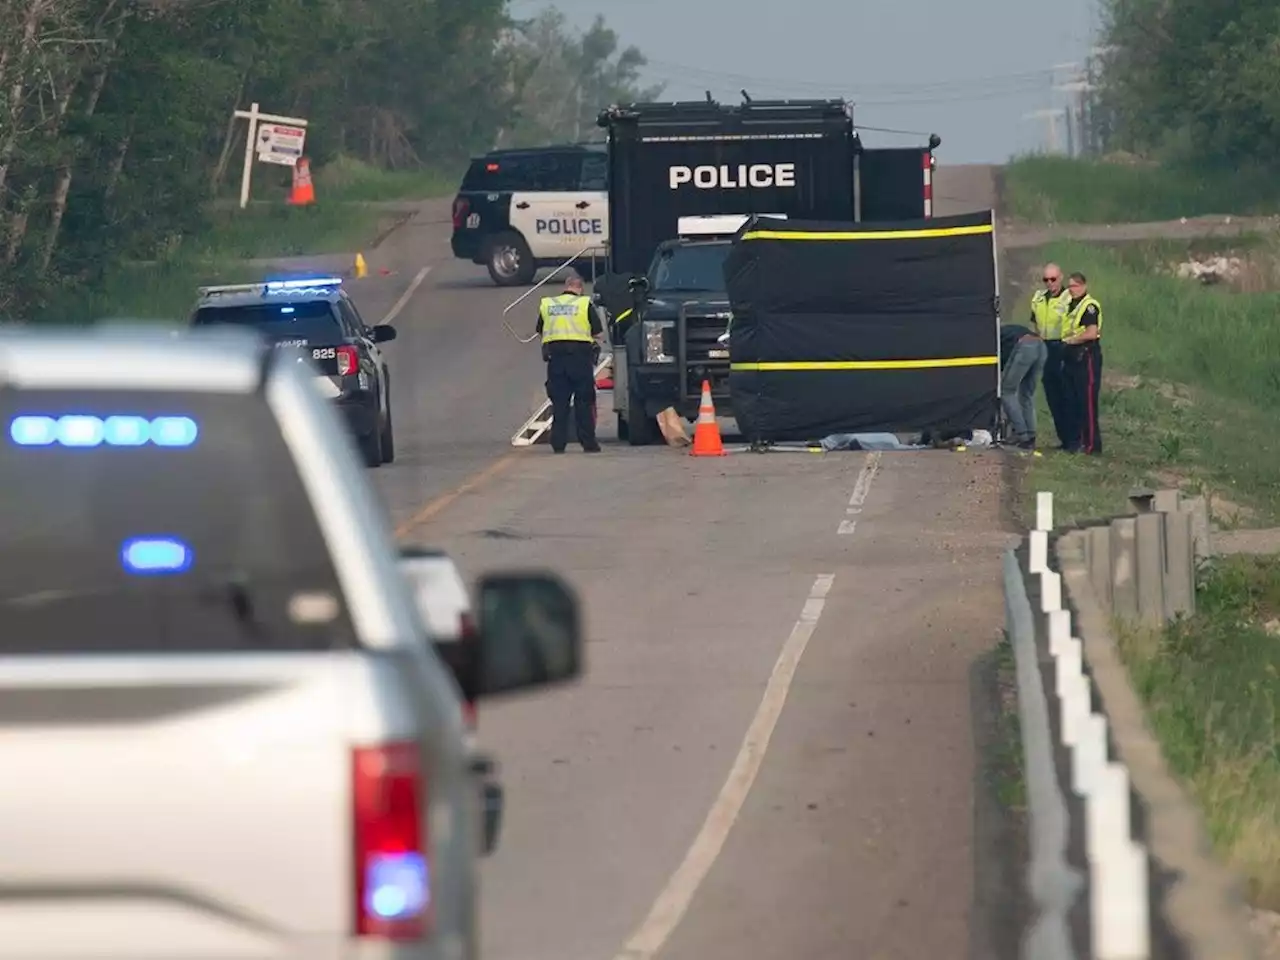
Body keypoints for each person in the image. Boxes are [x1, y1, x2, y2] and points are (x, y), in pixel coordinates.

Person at [535, 271, 603, 453]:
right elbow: (598, 332)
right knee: (583, 402)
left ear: (565, 287)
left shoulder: (548, 304)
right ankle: (588, 443)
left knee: (559, 403)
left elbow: (540, 330)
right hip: (580, 360)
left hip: (556, 361)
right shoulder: (584, 303)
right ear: (579, 288)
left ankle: (558, 444)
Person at [1029, 263, 1075, 449]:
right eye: (1046, 280)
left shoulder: (1069, 298)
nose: (1049, 283)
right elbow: (1034, 322)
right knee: (1052, 395)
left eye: (1053, 279)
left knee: (1067, 394)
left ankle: (1073, 439)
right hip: (1045, 347)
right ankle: (1063, 438)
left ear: (1061, 277)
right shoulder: (1038, 298)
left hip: (1063, 347)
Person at [1061, 271, 1103, 455]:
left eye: (1075, 286)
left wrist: (1073, 340)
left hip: (1086, 355)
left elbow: (1091, 332)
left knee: (1087, 402)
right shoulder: (1070, 305)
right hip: (1071, 356)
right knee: (1072, 400)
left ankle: (1091, 445)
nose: (1071, 290)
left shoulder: (1089, 306)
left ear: (1084, 286)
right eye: (1069, 286)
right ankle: (1075, 442)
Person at [999, 322, 1047, 449]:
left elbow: (1000, 364)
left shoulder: (993, 338)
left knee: (1006, 391)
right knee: (1026, 394)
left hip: (1025, 346)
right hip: (1041, 345)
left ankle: (1021, 434)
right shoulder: (1006, 330)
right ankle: (1030, 435)